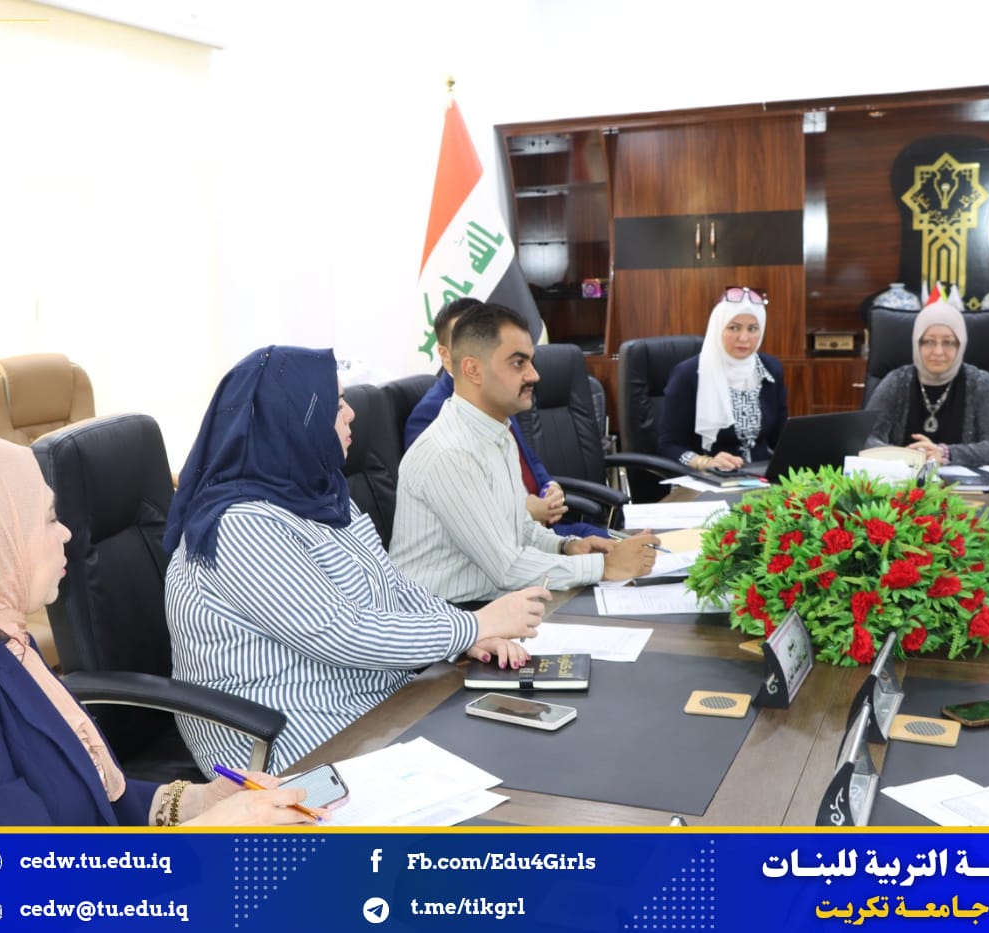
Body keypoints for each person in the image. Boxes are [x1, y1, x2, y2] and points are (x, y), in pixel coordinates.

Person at [0, 435, 321, 827]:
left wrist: (199, 803)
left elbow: (86, 799)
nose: (64, 533)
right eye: (46, 519)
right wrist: (213, 833)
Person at [163, 345, 546, 776]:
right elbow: (338, 631)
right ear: (292, 421)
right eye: (336, 404)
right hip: (295, 740)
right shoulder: (240, 525)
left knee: (520, 749)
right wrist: (474, 625)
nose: (351, 414)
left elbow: (395, 588)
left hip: (375, 702)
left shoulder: (321, 495)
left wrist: (465, 635)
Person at [390, 303, 660, 605]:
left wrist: (568, 546)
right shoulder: (448, 453)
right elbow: (507, 568)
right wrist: (604, 566)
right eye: (518, 363)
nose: (534, 375)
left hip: (491, 605)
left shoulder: (497, 431)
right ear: (473, 369)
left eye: (530, 361)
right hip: (446, 618)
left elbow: (520, 529)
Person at [405, 297, 608, 540]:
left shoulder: (497, 397)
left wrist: (550, 487)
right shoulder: (431, 417)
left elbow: (528, 460)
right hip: (507, 538)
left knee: (630, 549)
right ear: (445, 354)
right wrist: (524, 511)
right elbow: (464, 511)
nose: (532, 375)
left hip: (545, 529)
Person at [863, 299, 989, 466]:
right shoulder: (896, 381)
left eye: (948, 342)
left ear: (960, 345)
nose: (938, 351)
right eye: (929, 341)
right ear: (917, 343)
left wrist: (944, 453)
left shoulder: (980, 383)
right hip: (904, 479)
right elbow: (866, 437)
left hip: (963, 481)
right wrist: (908, 457)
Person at [658, 288, 788, 472]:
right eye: (734, 328)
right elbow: (668, 446)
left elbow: (780, 438)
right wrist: (705, 462)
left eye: (753, 329)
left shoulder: (770, 369)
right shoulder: (688, 374)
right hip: (706, 477)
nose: (744, 338)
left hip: (762, 474)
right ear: (718, 327)